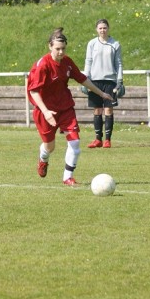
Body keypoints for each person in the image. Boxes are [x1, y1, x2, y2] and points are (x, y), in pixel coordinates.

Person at [28, 27, 113, 186]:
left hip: (65, 108)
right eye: (57, 49)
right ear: (50, 46)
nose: (61, 52)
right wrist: (46, 112)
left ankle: (68, 177)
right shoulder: (43, 65)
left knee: (75, 143)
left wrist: (101, 93)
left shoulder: (67, 62)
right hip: (46, 111)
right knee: (49, 147)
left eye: (63, 49)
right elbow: (33, 91)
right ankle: (43, 159)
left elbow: (82, 79)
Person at [82, 19, 124, 149]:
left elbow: (118, 63)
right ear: (96, 29)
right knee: (97, 110)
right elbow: (88, 61)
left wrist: (119, 80)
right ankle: (97, 139)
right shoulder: (92, 44)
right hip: (94, 81)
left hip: (110, 81)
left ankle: (107, 140)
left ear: (108, 28)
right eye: (100, 28)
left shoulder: (115, 44)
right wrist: (85, 78)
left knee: (108, 110)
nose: (102, 30)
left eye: (104, 28)